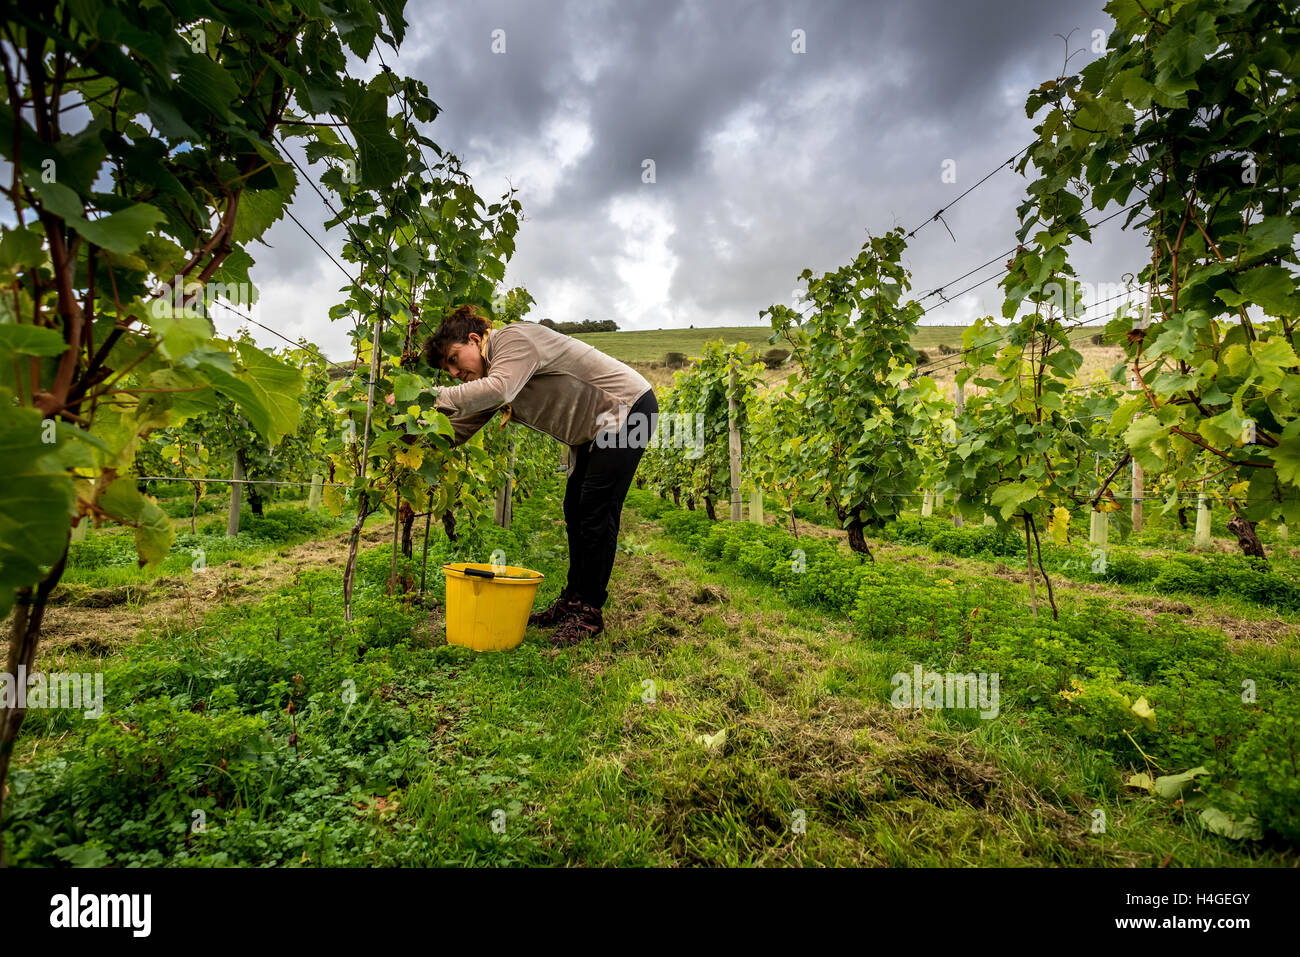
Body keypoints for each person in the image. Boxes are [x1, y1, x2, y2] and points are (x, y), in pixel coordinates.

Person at [421, 304, 657, 647]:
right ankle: (573, 601)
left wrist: (430, 397)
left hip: (628, 408)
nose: (454, 374)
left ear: (474, 340)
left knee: (596, 508)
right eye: (448, 370)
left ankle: (588, 613)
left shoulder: (513, 341)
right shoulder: (493, 374)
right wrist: (411, 437)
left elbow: (498, 390)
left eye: (454, 360)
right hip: (596, 428)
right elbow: (457, 430)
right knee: (574, 507)